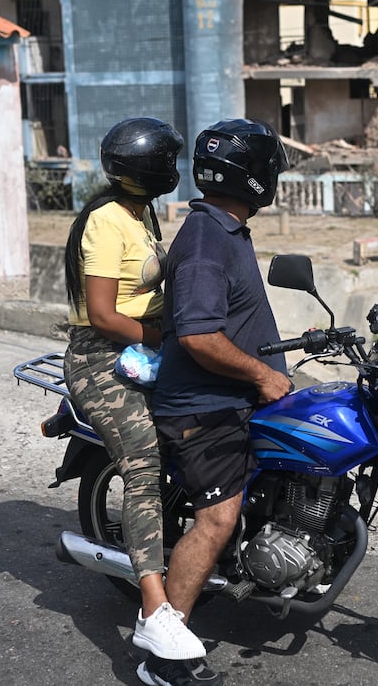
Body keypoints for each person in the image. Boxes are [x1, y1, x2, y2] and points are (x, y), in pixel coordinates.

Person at [142, 118, 293, 686]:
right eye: (269, 167)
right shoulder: (208, 241)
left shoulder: (222, 227)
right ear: (252, 176)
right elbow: (201, 337)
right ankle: (164, 652)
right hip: (202, 406)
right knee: (216, 518)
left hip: (232, 395)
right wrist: (261, 374)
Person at [60, 118, 208, 667]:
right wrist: (166, 341)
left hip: (148, 345)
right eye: (168, 162)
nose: (175, 170)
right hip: (102, 358)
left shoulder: (140, 212)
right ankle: (154, 613)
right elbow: (101, 315)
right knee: (144, 463)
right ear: (152, 170)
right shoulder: (104, 221)